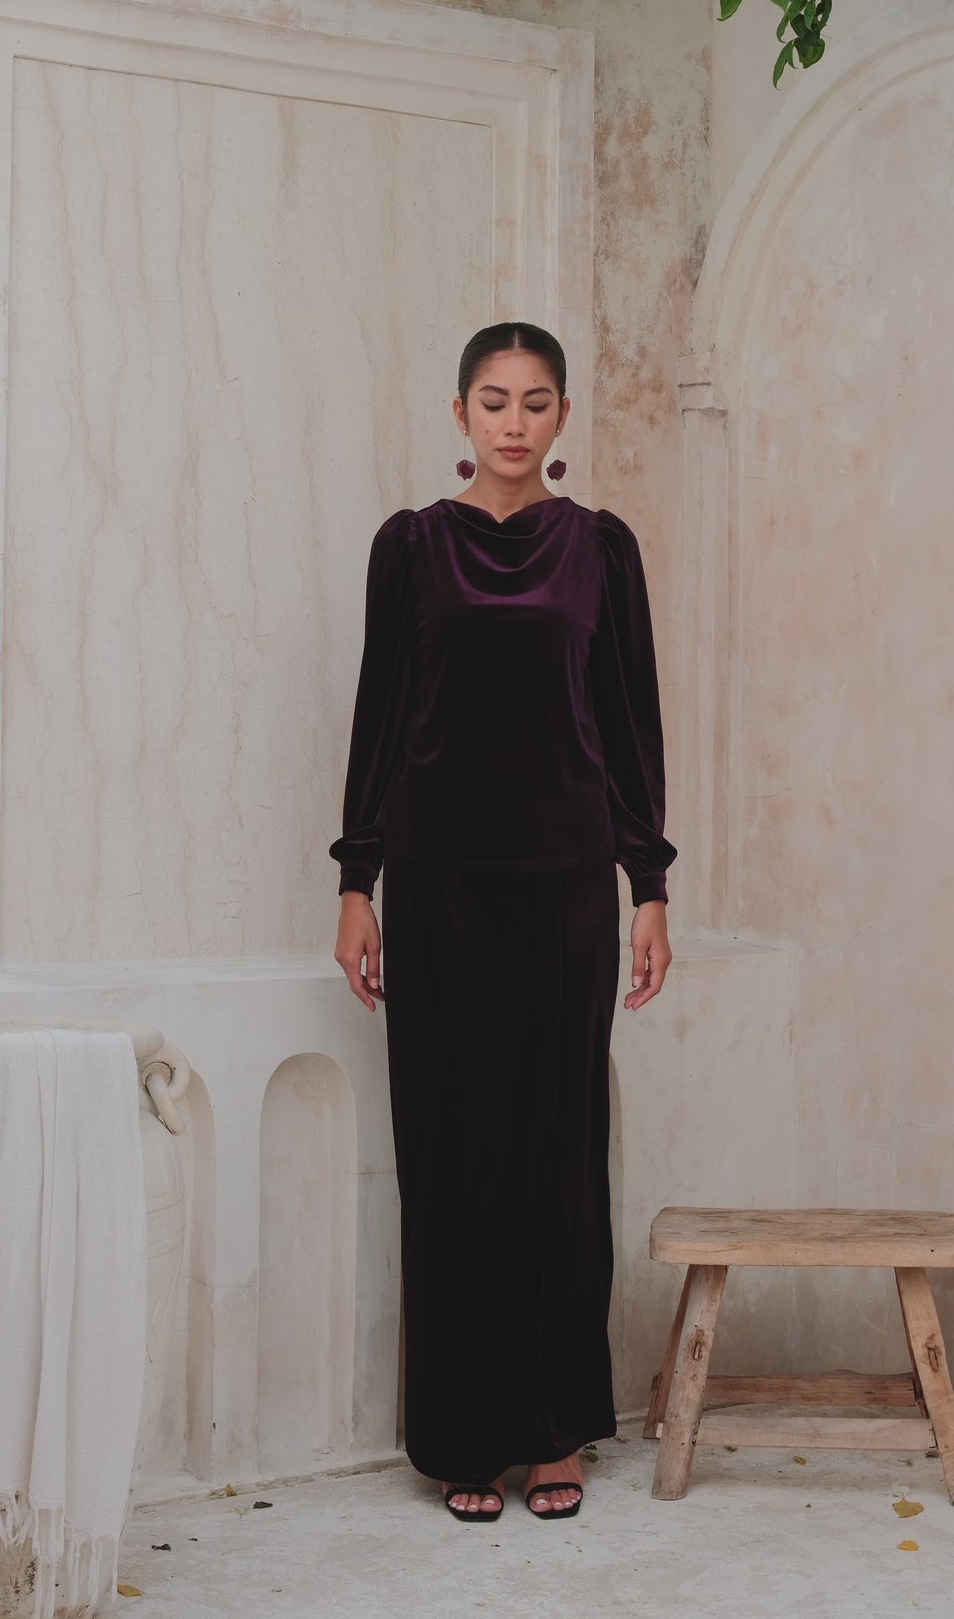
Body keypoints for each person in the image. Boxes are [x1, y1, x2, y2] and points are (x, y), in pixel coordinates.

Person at [330, 321, 676, 1523]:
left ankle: (555, 1428)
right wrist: (357, 881)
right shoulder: (410, 547)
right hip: (440, 884)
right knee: (453, 1154)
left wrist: (649, 884)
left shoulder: (602, 549)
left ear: (563, 416)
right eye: (493, 400)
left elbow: (629, 721)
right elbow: (381, 712)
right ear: (461, 414)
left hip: (567, 884)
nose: (514, 422)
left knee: (559, 1156)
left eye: (535, 402)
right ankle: (464, 1435)